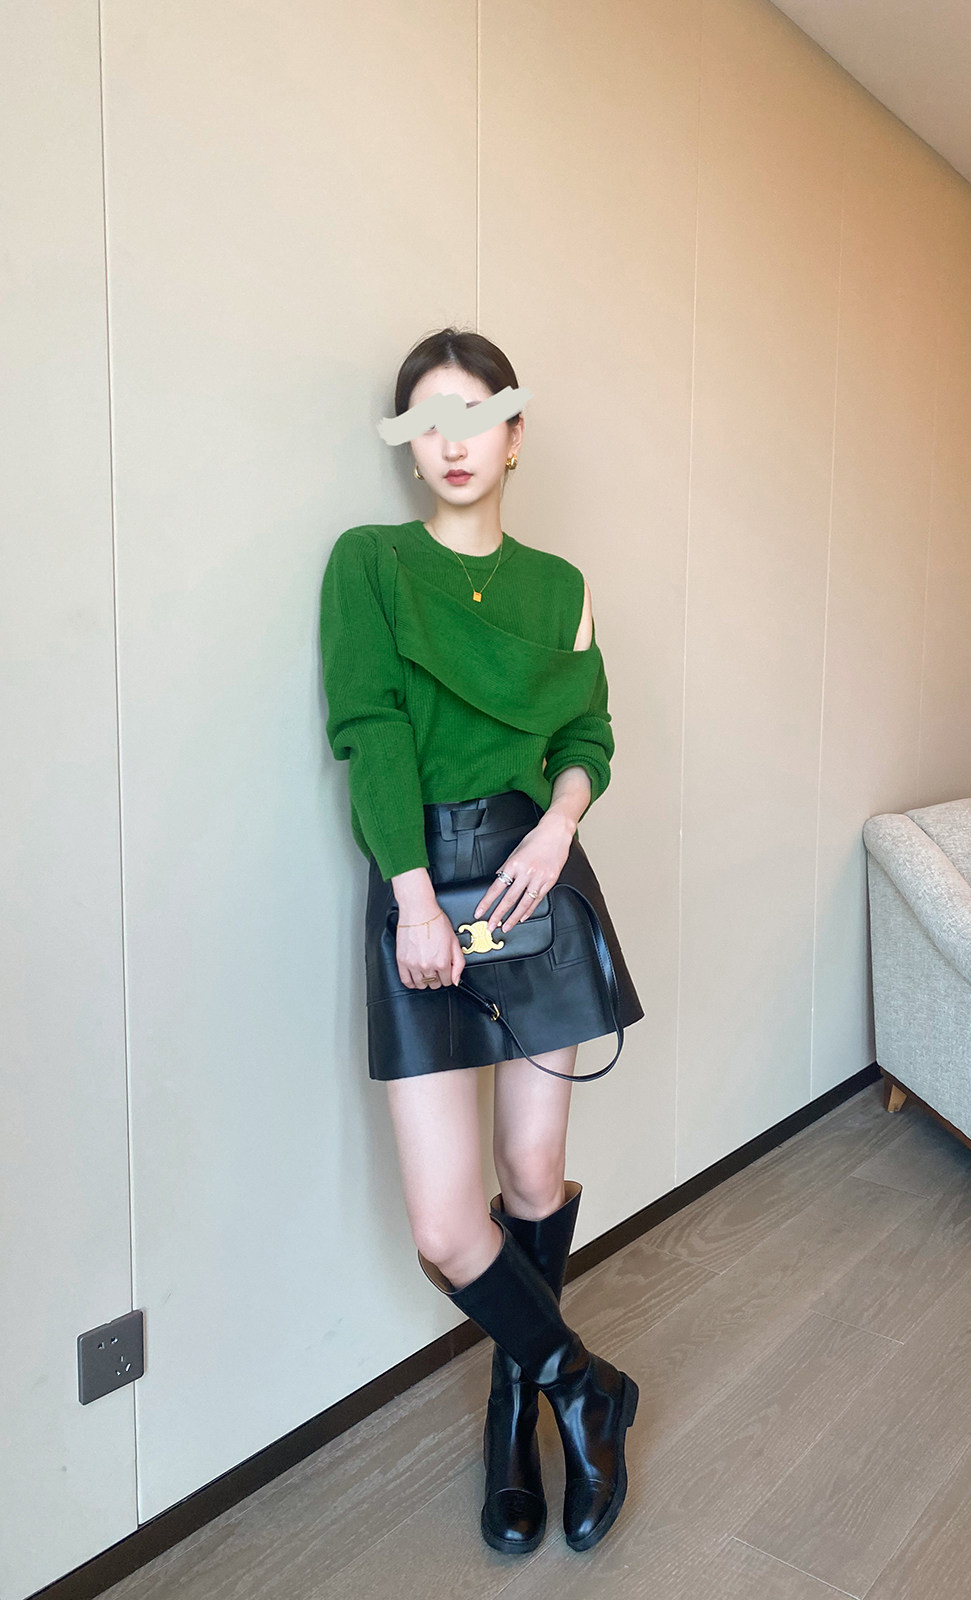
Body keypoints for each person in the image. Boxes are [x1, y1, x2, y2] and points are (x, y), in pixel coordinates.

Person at [318, 327, 646, 1556]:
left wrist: (560, 825)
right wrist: (409, 894)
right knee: (450, 1227)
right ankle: (583, 1387)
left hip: (534, 879)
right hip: (423, 882)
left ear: (515, 433)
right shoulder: (369, 563)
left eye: (475, 415)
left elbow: (588, 735)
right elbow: (369, 728)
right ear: (410, 449)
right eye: (426, 422)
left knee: (531, 1174)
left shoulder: (560, 586)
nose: (452, 441)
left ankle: (515, 1413)